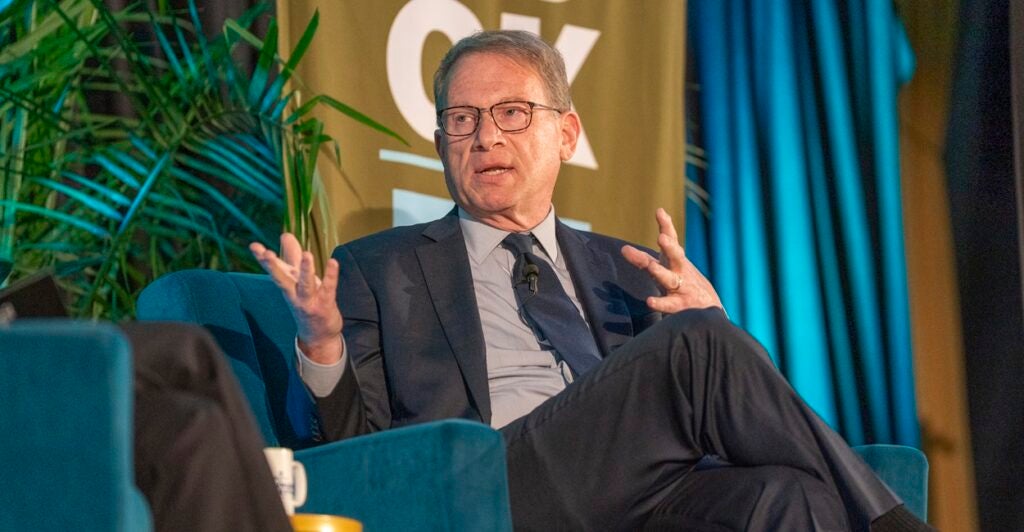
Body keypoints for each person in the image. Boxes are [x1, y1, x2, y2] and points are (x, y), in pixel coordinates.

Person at [251, 30, 930, 531]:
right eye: (461, 120)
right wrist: (322, 345)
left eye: (511, 112)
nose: (485, 137)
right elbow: (353, 455)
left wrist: (711, 319)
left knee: (794, 499)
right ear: (440, 145)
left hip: (641, 501)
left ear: (567, 134)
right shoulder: (379, 267)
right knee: (698, 343)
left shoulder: (625, 270)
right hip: (496, 489)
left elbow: (683, 420)